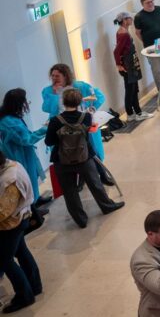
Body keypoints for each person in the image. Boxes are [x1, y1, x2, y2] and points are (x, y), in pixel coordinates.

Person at [44, 88, 124, 228]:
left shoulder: (55, 121)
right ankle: (107, 206)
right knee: (95, 184)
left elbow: (49, 142)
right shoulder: (85, 117)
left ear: (63, 101)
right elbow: (87, 135)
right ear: (79, 101)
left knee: (70, 191)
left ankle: (80, 219)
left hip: (61, 161)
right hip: (84, 158)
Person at [0, 151, 42, 314]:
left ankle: (25, 296)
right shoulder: (12, 165)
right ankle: (35, 286)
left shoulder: (10, 178)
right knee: (21, 252)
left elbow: (4, 212)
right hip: (20, 218)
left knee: (4, 260)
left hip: (12, 224)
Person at [42, 63, 106, 161]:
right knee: (64, 152)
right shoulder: (48, 91)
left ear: (65, 76)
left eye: (57, 76)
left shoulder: (80, 86)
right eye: (53, 76)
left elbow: (99, 97)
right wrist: (55, 94)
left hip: (80, 122)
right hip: (61, 125)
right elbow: (46, 108)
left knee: (88, 151)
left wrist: (91, 109)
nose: (54, 78)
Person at [0, 89, 46, 203]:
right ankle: (32, 209)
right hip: (19, 156)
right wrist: (45, 129)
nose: (26, 103)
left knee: (31, 177)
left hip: (23, 153)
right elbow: (26, 139)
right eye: (25, 100)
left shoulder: (11, 117)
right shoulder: (9, 122)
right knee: (26, 180)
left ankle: (36, 200)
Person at [113, 12, 151, 121]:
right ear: (125, 20)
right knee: (130, 90)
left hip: (130, 63)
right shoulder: (123, 34)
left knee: (134, 89)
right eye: (130, 18)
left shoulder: (124, 32)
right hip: (127, 65)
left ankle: (138, 112)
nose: (132, 19)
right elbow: (117, 51)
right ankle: (131, 114)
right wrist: (119, 65)